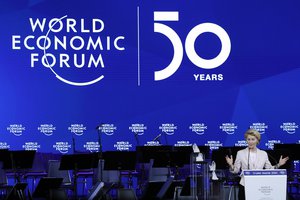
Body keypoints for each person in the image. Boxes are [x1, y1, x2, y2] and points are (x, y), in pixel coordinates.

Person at [225, 129, 289, 200]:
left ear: (257, 141)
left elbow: (269, 169)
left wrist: (279, 164)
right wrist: (231, 165)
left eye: (253, 139)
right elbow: (236, 170)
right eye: (248, 139)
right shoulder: (240, 153)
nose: (250, 142)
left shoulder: (263, 154)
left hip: (259, 185)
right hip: (244, 185)